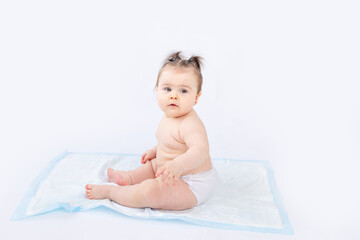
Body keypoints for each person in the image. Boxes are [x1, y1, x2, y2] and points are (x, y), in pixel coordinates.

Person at [85, 51, 218, 210]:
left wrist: (178, 166)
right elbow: (172, 143)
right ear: (157, 91)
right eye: (167, 89)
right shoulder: (167, 117)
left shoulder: (190, 124)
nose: (174, 96)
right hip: (170, 170)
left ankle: (113, 192)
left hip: (192, 183)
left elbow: (200, 150)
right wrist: (156, 151)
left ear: (196, 97)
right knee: (152, 166)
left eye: (183, 91)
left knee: (151, 191)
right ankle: (130, 177)